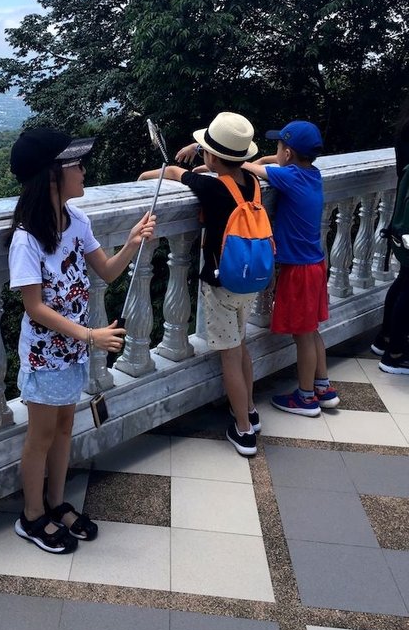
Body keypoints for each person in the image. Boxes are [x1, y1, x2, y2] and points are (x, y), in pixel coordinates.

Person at [8, 127, 155, 553]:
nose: (84, 171)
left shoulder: (77, 220)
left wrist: (131, 243)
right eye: (76, 165)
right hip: (45, 354)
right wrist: (91, 335)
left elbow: (105, 272)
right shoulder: (27, 238)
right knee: (41, 435)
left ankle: (56, 502)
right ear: (53, 176)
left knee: (66, 426)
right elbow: (34, 307)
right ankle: (31, 515)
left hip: (74, 349)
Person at [140, 111, 262, 457]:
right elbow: (213, 170)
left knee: (229, 356)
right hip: (249, 278)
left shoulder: (209, 187)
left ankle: (243, 430)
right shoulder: (250, 183)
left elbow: (179, 174)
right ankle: (250, 409)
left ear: (210, 155)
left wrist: (146, 175)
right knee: (241, 348)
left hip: (220, 283)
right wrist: (204, 152)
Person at [242, 120, 339, 416]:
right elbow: (274, 163)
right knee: (312, 330)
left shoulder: (289, 178)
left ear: (288, 153)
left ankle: (306, 397)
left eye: (279, 147)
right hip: (316, 264)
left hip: (299, 270)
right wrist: (271, 158)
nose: (276, 151)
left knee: (303, 335)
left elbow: (248, 169)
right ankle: (323, 387)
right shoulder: (312, 174)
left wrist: (254, 162)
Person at [372, 103, 409, 374]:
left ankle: (386, 339)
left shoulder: (405, 126)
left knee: (405, 279)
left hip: (404, 218)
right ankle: (395, 353)